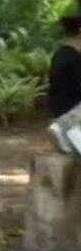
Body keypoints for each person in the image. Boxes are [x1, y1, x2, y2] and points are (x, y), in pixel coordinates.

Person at [46, 12, 81, 155]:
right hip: (70, 111)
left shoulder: (61, 54)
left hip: (63, 109)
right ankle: (66, 127)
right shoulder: (73, 59)